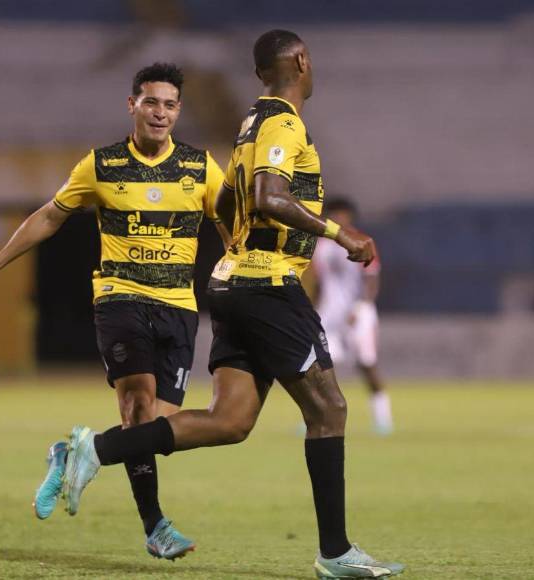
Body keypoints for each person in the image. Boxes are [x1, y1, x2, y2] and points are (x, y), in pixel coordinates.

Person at [58, 30, 404, 578]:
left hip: (235, 282)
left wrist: (237, 249)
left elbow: (225, 199)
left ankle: (96, 450)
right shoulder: (282, 123)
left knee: (231, 419)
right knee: (330, 409)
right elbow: (267, 195)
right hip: (265, 284)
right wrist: (342, 234)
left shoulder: (249, 124)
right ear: (301, 62)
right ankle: (335, 552)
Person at [0, 62, 229, 560]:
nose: (160, 113)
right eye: (151, 102)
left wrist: (241, 279)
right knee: (138, 407)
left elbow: (230, 226)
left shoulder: (201, 167)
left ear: (179, 111)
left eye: (170, 104)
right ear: (132, 105)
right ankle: (156, 527)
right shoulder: (100, 165)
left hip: (180, 309)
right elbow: (48, 217)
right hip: (121, 299)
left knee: (154, 429)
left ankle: (75, 453)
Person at [312, 198, 393, 435]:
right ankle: (317, 416)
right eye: (334, 215)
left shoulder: (361, 242)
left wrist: (361, 306)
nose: (338, 219)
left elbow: (372, 277)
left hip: (358, 313)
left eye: (343, 215)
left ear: (350, 217)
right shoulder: (321, 246)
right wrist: (314, 310)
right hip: (328, 315)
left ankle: (382, 417)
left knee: (366, 364)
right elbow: (319, 282)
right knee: (322, 368)